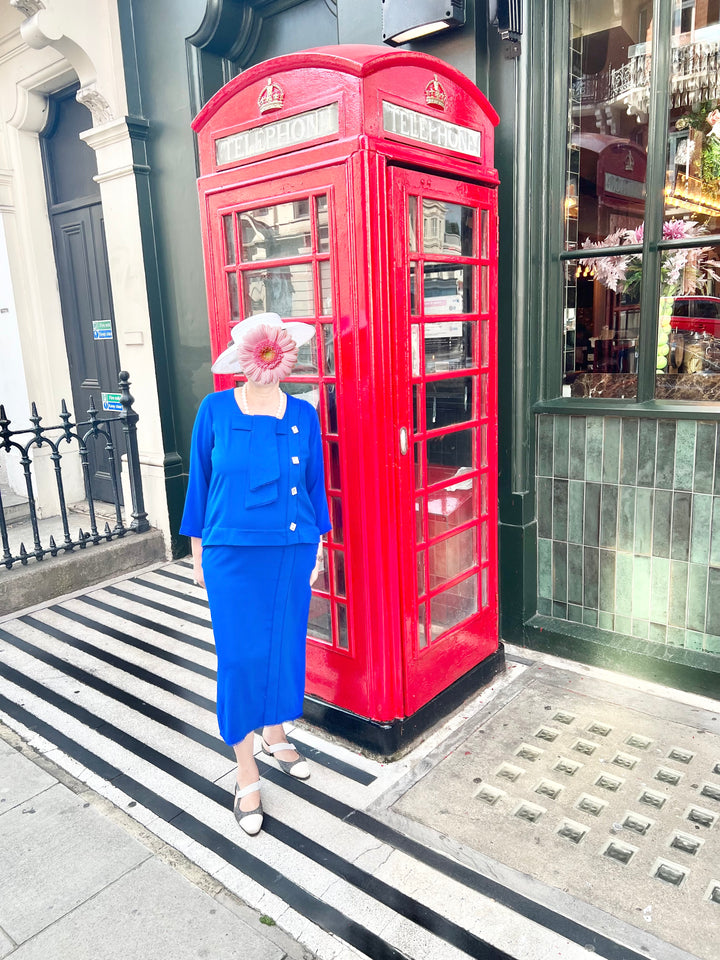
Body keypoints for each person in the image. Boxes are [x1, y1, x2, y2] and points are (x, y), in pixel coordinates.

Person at [180, 312, 331, 835]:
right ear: (246, 358)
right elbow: (198, 485)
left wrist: (319, 549)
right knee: (240, 660)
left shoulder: (303, 414)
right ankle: (245, 772)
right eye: (262, 350)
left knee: (284, 647)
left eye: (278, 349)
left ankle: (275, 731)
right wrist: (197, 557)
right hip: (231, 556)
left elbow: (316, 486)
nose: (269, 359)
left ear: (287, 355)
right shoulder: (215, 409)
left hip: (289, 549)